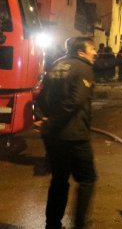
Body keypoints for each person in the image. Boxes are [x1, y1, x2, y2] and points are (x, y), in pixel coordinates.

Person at [35, 36, 98, 229]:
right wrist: (53, 123)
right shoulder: (83, 68)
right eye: (92, 49)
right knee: (87, 179)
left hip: (54, 138)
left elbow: (41, 97)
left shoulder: (56, 66)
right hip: (74, 135)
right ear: (81, 51)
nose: (95, 52)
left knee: (60, 180)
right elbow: (74, 102)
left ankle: (52, 224)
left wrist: (44, 120)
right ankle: (80, 224)